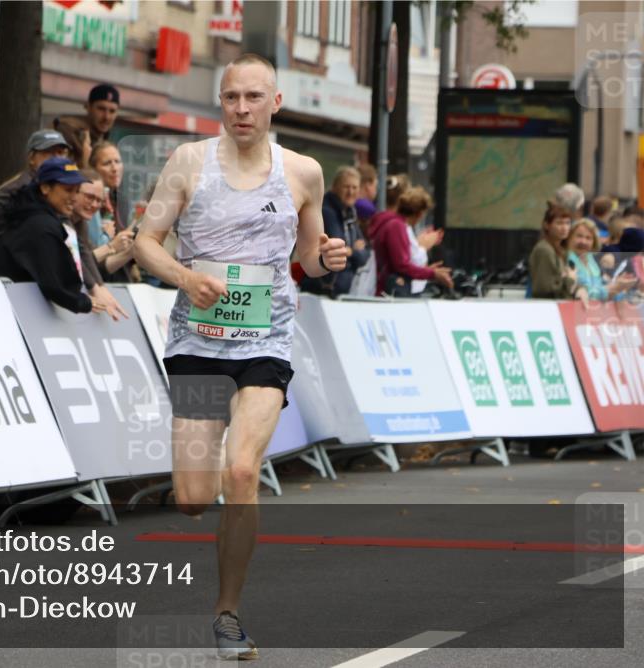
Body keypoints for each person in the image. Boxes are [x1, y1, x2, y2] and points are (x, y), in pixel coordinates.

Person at [133, 54, 348, 660]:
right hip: (198, 344)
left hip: (265, 342)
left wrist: (327, 258)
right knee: (194, 498)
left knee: (242, 473)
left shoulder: (303, 172)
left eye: (254, 97)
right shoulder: (188, 162)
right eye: (232, 97)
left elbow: (307, 256)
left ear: (275, 102)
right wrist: (185, 278)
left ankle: (227, 614)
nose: (242, 109)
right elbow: (146, 242)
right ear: (220, 102)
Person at [0, 157, 108, 315]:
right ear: (45, 188)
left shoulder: (33, 215)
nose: (74, 197)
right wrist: (83, 302)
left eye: (76, 191)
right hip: (13, 311)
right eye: (68, 190)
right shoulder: (41, 226)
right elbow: (54, 283)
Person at [0, 129, 71, 274]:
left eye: (61, 153)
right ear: (31, 158)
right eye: (49, 153)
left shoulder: (50, 186)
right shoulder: (22, 189)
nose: (57, 159)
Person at [368, 187, 453, 297]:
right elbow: (402, 265)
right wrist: (432, 273)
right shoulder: (397, 226)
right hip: (389, 292)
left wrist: (426, 271)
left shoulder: (392, 223)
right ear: (420, 213)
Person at [69, 169, 130, 320]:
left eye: (99, 200)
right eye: (89, 197)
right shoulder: (62, 220)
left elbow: (86, 258)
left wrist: (99, 287)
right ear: (73, 192)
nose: (94, 204)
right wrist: (96, 288)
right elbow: (75, 259)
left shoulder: (81, 223)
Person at [308, 166, 367, 296]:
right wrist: (354, 250)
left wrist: (351, 251)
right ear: (335, 187)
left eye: (355, 187)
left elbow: (364, 255)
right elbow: (339, 251)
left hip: (341, 291)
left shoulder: (350, 212)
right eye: (346, 187)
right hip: (324, 292)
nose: (351, 192)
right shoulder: (327, 211)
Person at [89, 141, 136, 282]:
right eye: (107, 163)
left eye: (117, 161)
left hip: (122, 279)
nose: (114, 168)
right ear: (94, 169)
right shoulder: (87, 204)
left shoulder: (123, 201)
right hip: (96, 279)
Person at [567, 218, 636, 301]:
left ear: (594, 242)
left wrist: (621, 287)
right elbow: (588, 295)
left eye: (588, 238)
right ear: (569, 237)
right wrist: (614, 287)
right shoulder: (566, 260)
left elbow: (604, 289)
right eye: (579, 236)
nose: (583, 242)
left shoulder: (593, 261)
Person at [529, 202, 585, 300]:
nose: (564, 228)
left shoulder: (562, 250)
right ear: (547, 225)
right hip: (547, 306)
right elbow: (543, 289)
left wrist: (579, 289)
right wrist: (570, 279)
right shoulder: (544, 250)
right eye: (559, 223)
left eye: (567, 223)